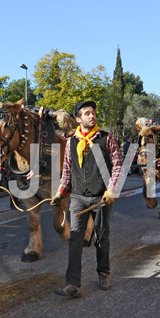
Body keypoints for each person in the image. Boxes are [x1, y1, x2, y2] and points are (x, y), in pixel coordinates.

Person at [50, 100, 123, 297]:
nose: (92, 116)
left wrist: (111, 190)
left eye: (93, 112)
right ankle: (73, 284)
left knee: (101, 237)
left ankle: (104, 273)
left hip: (101, 197)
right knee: (75, 239)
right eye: (87, 113)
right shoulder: (71, 142)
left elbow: (117, 166)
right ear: (78, 119)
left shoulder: (107, 139)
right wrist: (61, 193)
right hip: (79, 198)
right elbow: (67, 170)